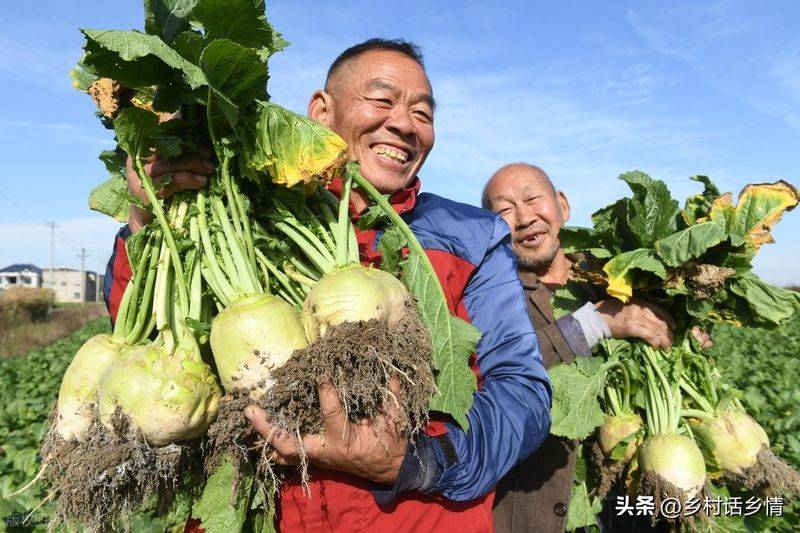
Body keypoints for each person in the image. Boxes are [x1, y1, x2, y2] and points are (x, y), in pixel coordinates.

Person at [104, 40, 552, 531]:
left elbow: (523, 392)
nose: (404, 124)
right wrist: (151, 213)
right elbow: (151, 343)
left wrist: (418, 459)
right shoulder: (238, 212)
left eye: (422, 113)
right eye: (382, 100)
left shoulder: (472, 236)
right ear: (321, 111)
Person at [482, 163, 712, 532]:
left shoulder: (622, 278)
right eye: (504, 210)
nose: (524, 217)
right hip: (532, 513)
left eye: (532, 198)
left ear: (562, 206)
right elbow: (486, 377)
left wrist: (684, 337)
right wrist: (596, 323)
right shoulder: (487, 296)